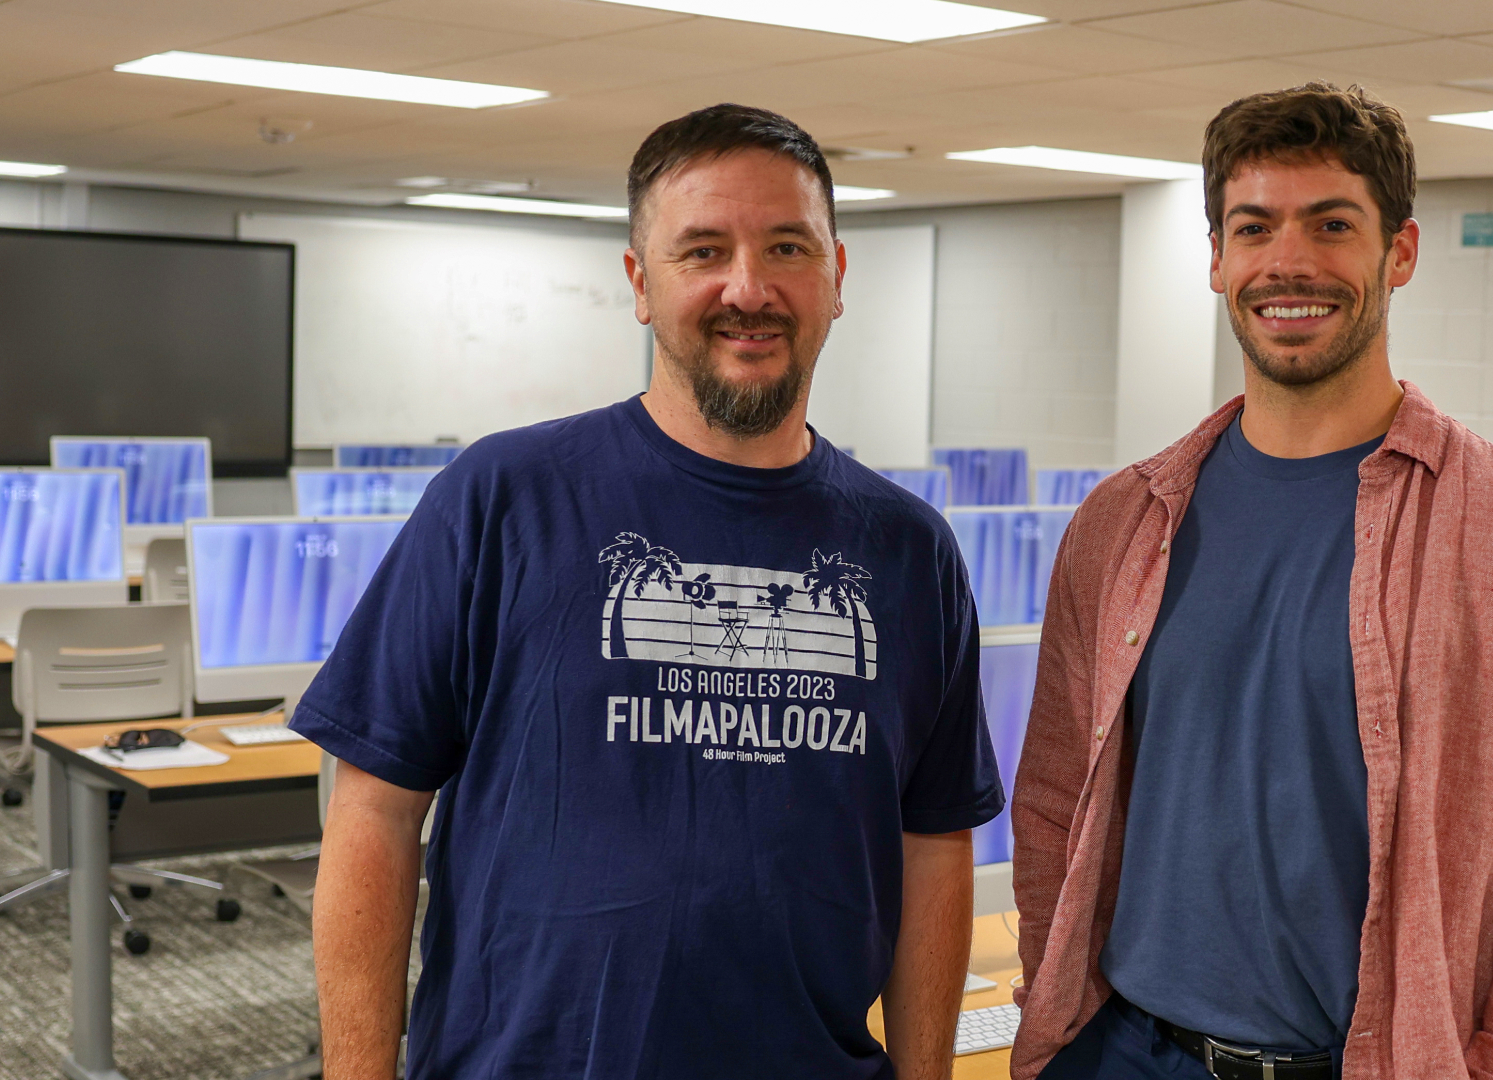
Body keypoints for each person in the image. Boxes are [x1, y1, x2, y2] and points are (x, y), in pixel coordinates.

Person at [296, 103, 1002, 1080]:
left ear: (837, 278)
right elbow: (374, 811)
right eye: (702, 249)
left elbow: (933, 845)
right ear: (639, 283)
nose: (746, 287)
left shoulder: (907, 550)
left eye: (787, 247)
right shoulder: (504, 498)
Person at [1009, 83, 1493, 1080]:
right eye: (1253, 227)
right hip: (1126, 1052)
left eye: (1332, 224)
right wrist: (1051, 1021)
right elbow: (1055, 800)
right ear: (1217, 260)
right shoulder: (1121, 523)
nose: (1287, 263)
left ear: (1400, 252)